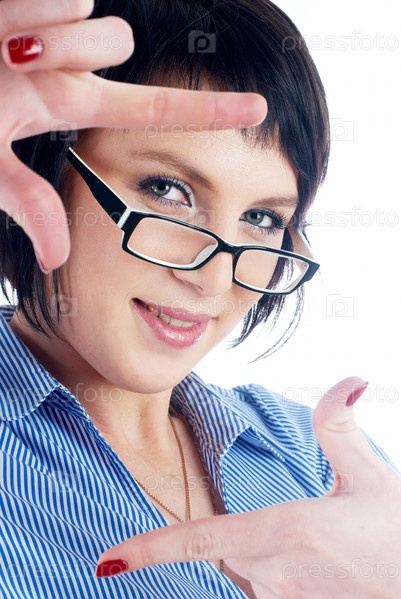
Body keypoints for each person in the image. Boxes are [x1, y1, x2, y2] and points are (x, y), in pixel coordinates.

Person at [0, 1, 400, 598]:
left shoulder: (314, 457)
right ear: (42, 166)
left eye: (262, 219)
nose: (214, 280)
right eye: (168, 189)